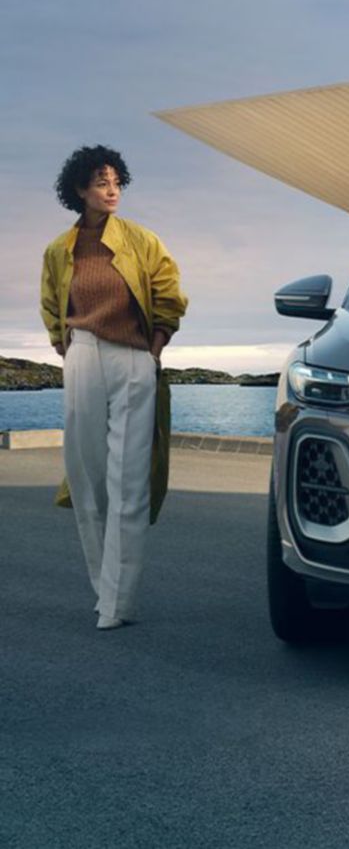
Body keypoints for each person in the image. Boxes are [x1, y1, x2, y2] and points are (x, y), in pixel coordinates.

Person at [39, 145, 189, 630]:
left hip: (133, 357)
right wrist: (66, 347)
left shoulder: (143, 241)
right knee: (87, 476)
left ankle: (118, 604)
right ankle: (103, 589)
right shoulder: (59, 250)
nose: (111, 191)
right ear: (80, 189)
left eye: (116, 183)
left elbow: (170, 295)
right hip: (82, 354)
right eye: (101, 183)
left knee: (129, 480)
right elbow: (49, 304)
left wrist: (155, 348)